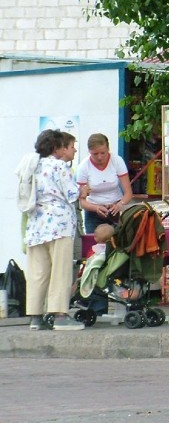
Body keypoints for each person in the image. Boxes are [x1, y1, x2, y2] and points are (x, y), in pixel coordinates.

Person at [19, 129, 85, 331]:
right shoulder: (59, 166)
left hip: (36, 225)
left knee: (38, 272)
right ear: (57, 147)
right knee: (60, 271)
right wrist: (84, 190)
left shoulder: (31, 166)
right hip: (59, 224)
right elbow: (72, 193)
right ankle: (60, 316)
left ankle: (35, 316)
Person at [77, 133, 134, 234]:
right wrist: (96, 208)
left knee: (119, 241)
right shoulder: (83, 167)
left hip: (116, 208)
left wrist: (120, 204)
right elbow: (81, 201)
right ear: (89, 152)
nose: (99, 157)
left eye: (103, 153)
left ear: (108, 149)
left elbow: (128, 193)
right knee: (94, 244)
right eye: (95, 154)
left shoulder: (117, 161)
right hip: (93, 212)